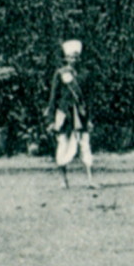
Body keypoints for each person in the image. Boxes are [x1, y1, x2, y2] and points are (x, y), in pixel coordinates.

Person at [48, 39, 95, 188]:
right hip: (64, 116)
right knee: (63, 145)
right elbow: (53, 98)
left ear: (79, 58)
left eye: (76, 57)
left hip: (80, 115)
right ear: (66, 58)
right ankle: (64, 180)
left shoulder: (86, 75)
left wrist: (90, 119)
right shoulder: (60, 74)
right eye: (71, 57)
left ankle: (90, 180)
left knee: (85, 146)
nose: (73, 60)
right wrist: (50, 120)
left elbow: (88, 99)